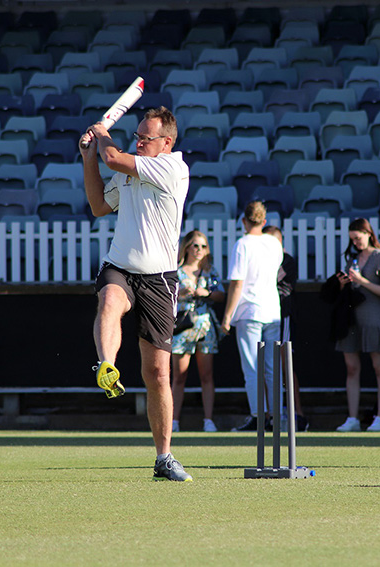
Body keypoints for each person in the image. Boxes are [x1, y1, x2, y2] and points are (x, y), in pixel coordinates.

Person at [79, 106, 193, 481]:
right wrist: (87, 158)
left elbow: (113, 156)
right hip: (121, 266)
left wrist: (101, 137)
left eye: (146, 138)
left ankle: (164, 457)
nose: (139, 141)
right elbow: (98, 206)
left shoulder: (172, 168)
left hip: (159, 279)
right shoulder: (131, 167)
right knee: (110, 300)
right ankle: (106, 365)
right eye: (138, 136)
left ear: (167, 142)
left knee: (158, 374)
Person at [221, 201, 283, 431]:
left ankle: (259, 416)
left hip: (250, 311)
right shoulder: (274, 243)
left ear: (244, 221)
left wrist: (227, 317)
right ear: (264, 221)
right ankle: (276, 417)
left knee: (252, 368)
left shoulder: (242, 244)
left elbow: (237, 283)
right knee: (271, 367)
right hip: (272, 310)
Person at [333, 218, 380, 432]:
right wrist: (344, 285)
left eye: (358, 238)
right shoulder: (353, 258)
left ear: (368, 234)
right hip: (352, 320)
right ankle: (352, 418)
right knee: (351, 368)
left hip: (374, 319)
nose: (356, 243)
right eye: (352, 240)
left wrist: (363, 281)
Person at [171, 230, 225, 433]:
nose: (199, 250)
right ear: (186, 247)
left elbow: (221, 295)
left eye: (203, 246)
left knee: (207, 375)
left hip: (205, 326)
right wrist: (181, 293)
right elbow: (166, 296)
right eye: (195, 245)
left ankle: (208, 420)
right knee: (179, 376)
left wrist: (207, 293)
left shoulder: (210, 270)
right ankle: (174, 420)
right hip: (183, 326)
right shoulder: (176, 271)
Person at [263, 224, 309, 432]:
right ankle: (268, 414)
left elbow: (268, 279)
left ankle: (297, 414)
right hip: (264, 314)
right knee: (264, 365)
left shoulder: (286, 260)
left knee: (284, 363)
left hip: (282, 315)